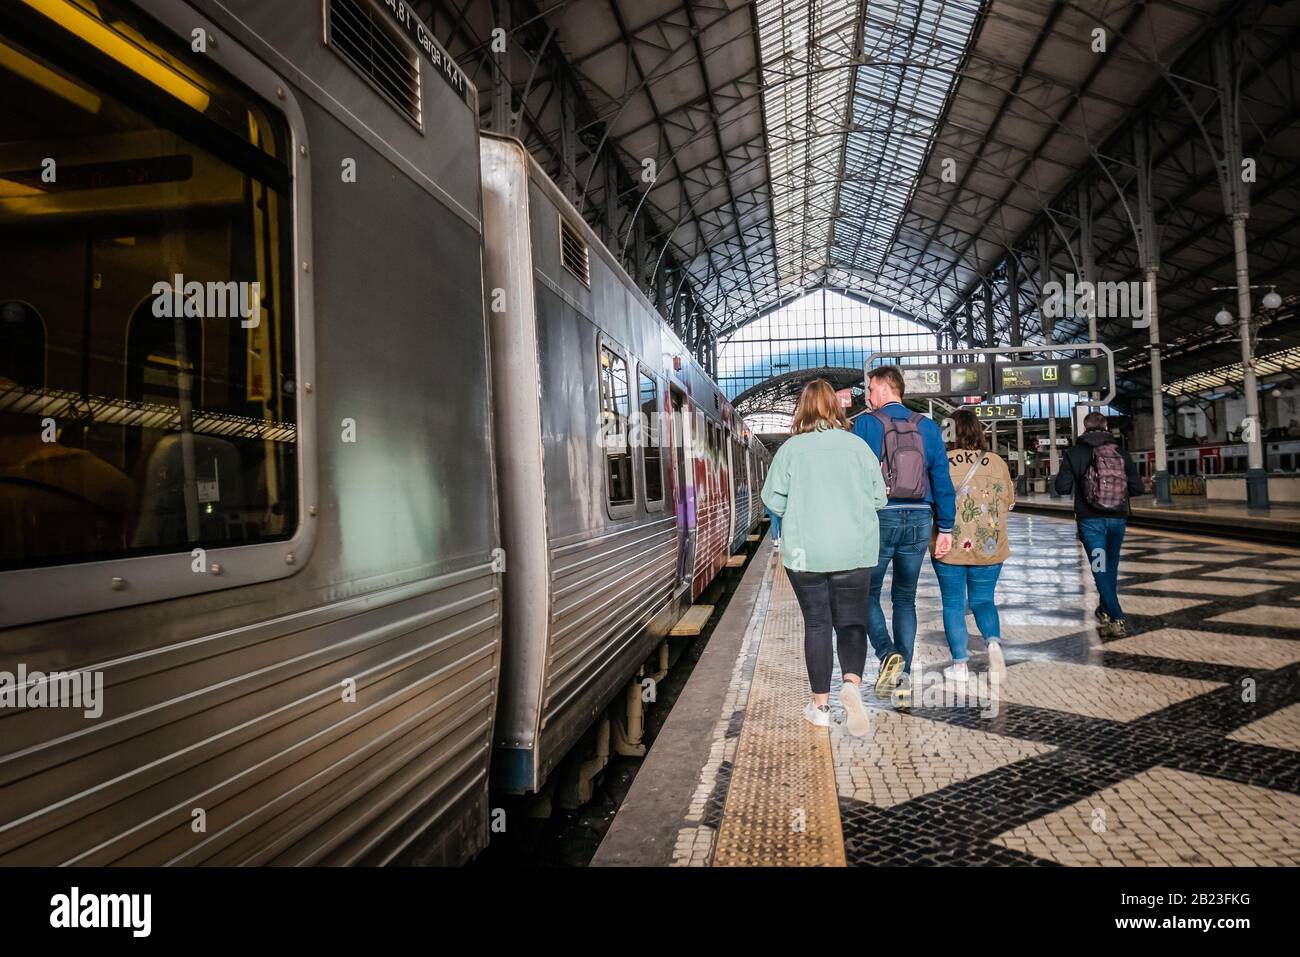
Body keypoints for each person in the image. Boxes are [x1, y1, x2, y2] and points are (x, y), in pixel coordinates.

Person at [762, 379, 887, 735]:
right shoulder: (857, 447)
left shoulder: (791, 450)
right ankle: (851, 683)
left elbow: (773, 500)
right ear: (836, 408)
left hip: (806, 554)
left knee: (817, 624)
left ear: (802, 409)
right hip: (855, 550)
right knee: (851, 622)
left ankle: (820, 706)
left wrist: (799, 507)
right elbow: (879, 499)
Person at [852, 365, 956, 699]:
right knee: (904, 598)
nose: (867, 397)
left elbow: (855, 478)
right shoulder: (927, 426)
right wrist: (947, 528)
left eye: (870, 389)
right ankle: (904, 676)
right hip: (920, 518)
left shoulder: (866, 424)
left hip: (881, 516)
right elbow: (942, 478)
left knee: (866, 594)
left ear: (884, 388)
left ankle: (887, 654)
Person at [931, 409, 1014, 682]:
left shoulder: (941, 460)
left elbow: (931, 501)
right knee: (983, 600)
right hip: (989, 545)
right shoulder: (997, 462)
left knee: (953, 605)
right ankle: (992, 645)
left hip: (950, 546)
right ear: (979, 430)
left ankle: (960, 666)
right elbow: (1009, 502)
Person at [1054, 411, 1145, 637]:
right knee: (1109, 568)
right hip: (1117, 521)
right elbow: (1138, 488)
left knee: (1099, 568)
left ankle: (1116, 617)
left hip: (1091, 522)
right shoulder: (1121, 452)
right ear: (1107, 426)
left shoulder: (1075, 453)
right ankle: (1104, 608)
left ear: (1084, 428)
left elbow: (1061, 487)